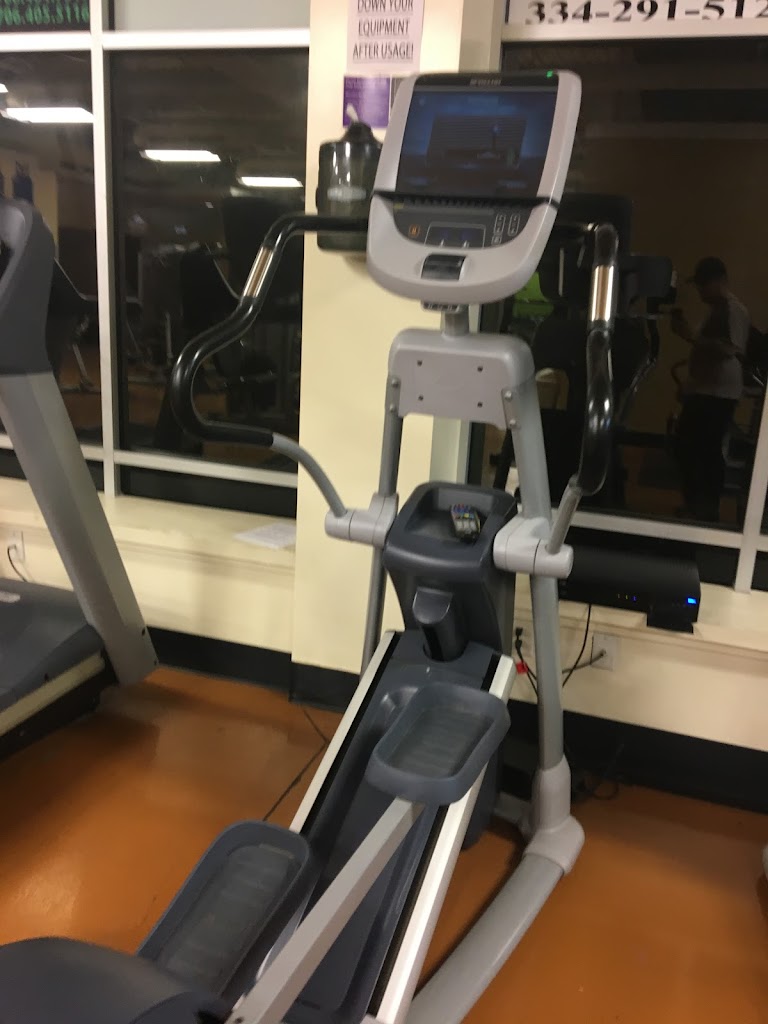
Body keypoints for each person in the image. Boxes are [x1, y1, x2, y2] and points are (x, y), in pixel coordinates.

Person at [670, 257, 749, 522]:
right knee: (692, 447)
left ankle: (704, 507)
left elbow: (729, 350)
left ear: (719, 281)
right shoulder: (717, 311)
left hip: (718, 393)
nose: (701, 291)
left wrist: (691, 336)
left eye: (704, 284)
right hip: (707, 390)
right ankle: (697, 505)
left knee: (703, 449)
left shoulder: (732, 310)